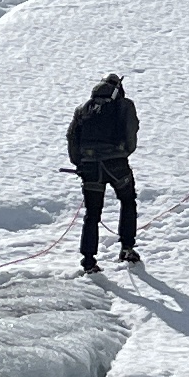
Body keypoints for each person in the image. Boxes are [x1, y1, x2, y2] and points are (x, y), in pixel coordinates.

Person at [67, 74, 140, 271]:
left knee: (92, 213)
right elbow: (131, 133)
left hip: (90, 166)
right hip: (116, 164)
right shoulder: (123, 105)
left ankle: (89, 261)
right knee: (127, 200)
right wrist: (123, 152)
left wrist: (79, 164)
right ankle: (127, 247)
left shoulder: (83, 109)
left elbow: (72, 137)